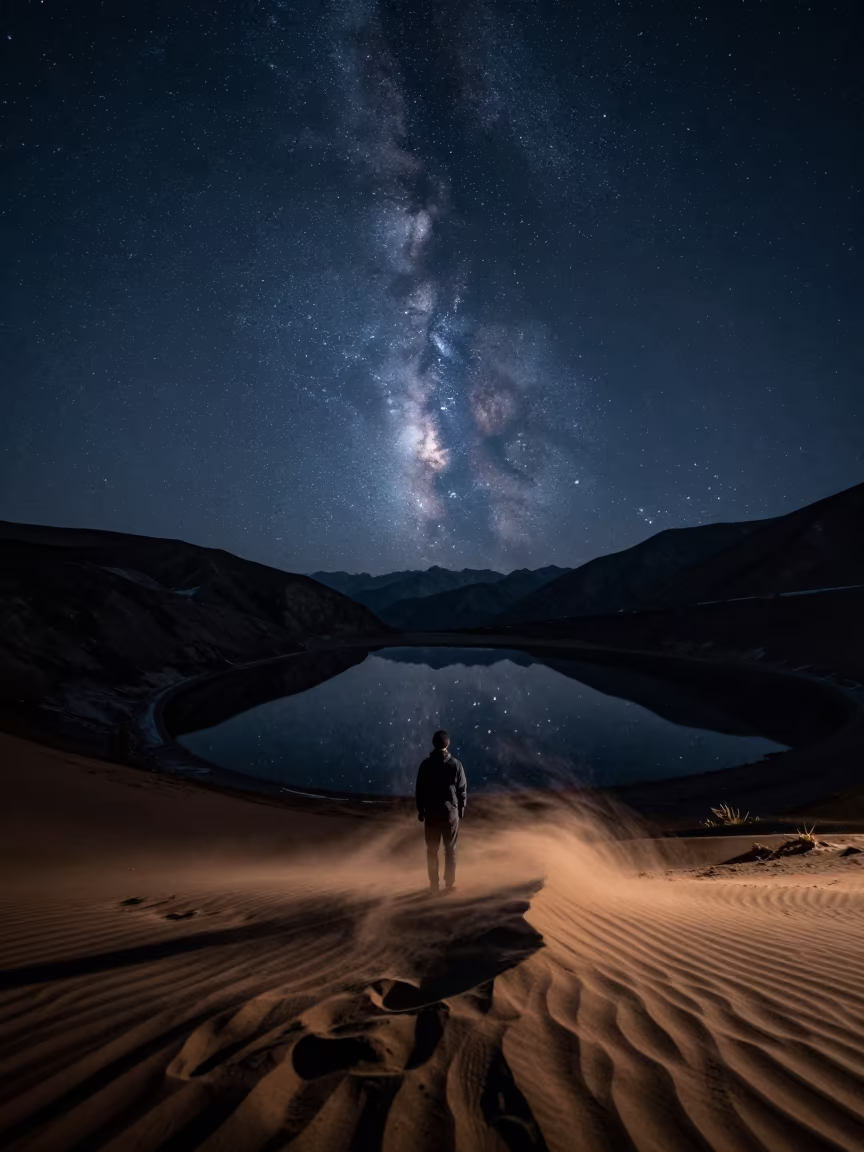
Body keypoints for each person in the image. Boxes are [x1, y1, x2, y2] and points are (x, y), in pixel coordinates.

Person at [415, 729, 467, 894]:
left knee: (432, 850)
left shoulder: (426, 765)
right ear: (448, 744)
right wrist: (462, 808)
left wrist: (420, 810)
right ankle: (449, 883)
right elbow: (462, 789)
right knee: (450, 848)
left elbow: (420, 790)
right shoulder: (456, 764)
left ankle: (434, 884)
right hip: (450, 814)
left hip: (431, 813)